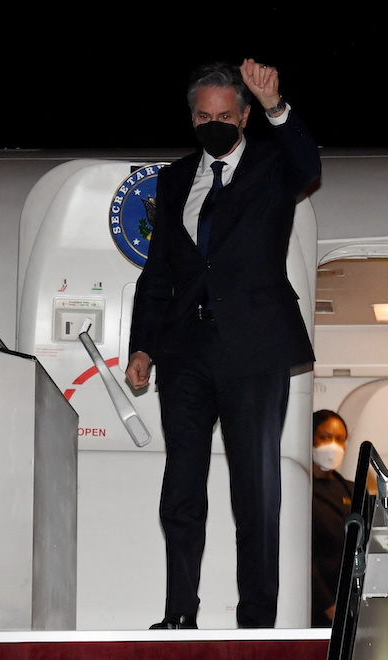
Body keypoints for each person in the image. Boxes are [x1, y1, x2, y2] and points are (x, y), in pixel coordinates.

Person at [125, 57, 321, 629]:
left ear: (242, 117)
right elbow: (158, 271)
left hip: (253, 351)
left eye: (226, 115)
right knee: (180, 488)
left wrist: (276, 107)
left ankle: (256, 619)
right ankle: (179, 613)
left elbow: (309, 162)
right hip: (185, 352)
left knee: (254, 490)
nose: (214, 124)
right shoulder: (176, 177)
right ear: (192, 119)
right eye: (203, 115)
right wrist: (144, 346)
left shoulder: (272, 165)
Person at [310, 409, 353, 627]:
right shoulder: (299, 487)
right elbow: (301, 556)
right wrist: (327, 604)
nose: (333, 446)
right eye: (325, 437)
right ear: (311, 438)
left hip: (347, 600)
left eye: (340, 439)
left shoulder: (351, 490)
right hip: (315, 603)